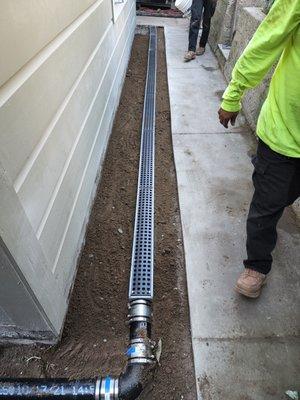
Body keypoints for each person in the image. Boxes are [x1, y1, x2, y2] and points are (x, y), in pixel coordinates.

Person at [218, 0, 300, 298]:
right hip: (284, 132)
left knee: (280, 196)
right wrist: (234, 93)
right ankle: (257, 265)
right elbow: (266, 42)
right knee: (267, 206)